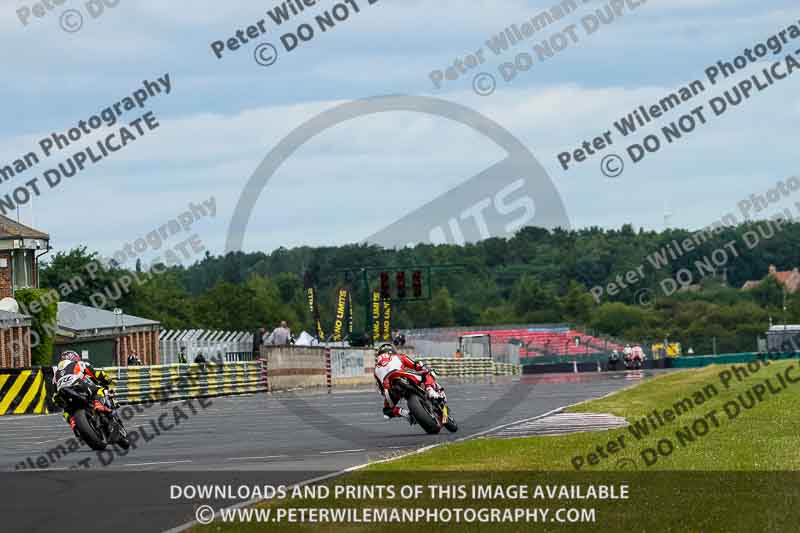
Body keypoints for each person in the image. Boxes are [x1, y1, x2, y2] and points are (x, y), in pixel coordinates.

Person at [373, 343, 440, 422]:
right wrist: (424, 367)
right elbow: (416, 366)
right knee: (427, 374)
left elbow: (381, 389)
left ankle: (406, 414)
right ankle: (430, 390)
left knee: (387, 411)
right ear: (393, 350)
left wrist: (387, 392)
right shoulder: (398, 356)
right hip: (400, 374)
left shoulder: (376, 368)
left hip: (388, 385)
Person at [51, 351, 113, 435]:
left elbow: (54, 392)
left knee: (66, 410)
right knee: (99, 389)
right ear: (74, 357)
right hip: (77, 385)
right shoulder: (79, 363)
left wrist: (57, 399)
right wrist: (106, 378)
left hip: (61, 393)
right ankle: (98, 403)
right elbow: (97, 374)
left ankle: (72, 421)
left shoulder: (56, 372)